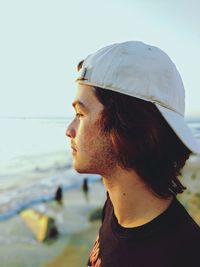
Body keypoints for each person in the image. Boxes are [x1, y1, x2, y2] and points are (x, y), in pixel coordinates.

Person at [66, 41, 200, 267]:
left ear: (126, 126)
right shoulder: (115, 207)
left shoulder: (182, 255)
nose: (69, 130)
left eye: (80, 114)